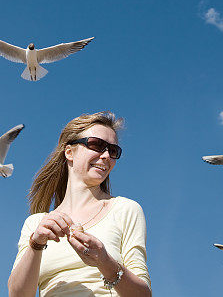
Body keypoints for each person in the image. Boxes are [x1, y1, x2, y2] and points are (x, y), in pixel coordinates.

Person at [8, 112, 151, 296]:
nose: (106, 155)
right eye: (97, 145)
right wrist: (35, 244)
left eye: (113, 150)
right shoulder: (35, 224)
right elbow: (17, 294)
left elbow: (143, 294)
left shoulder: (125, 210)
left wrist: (104, 261)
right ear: (69, 152)